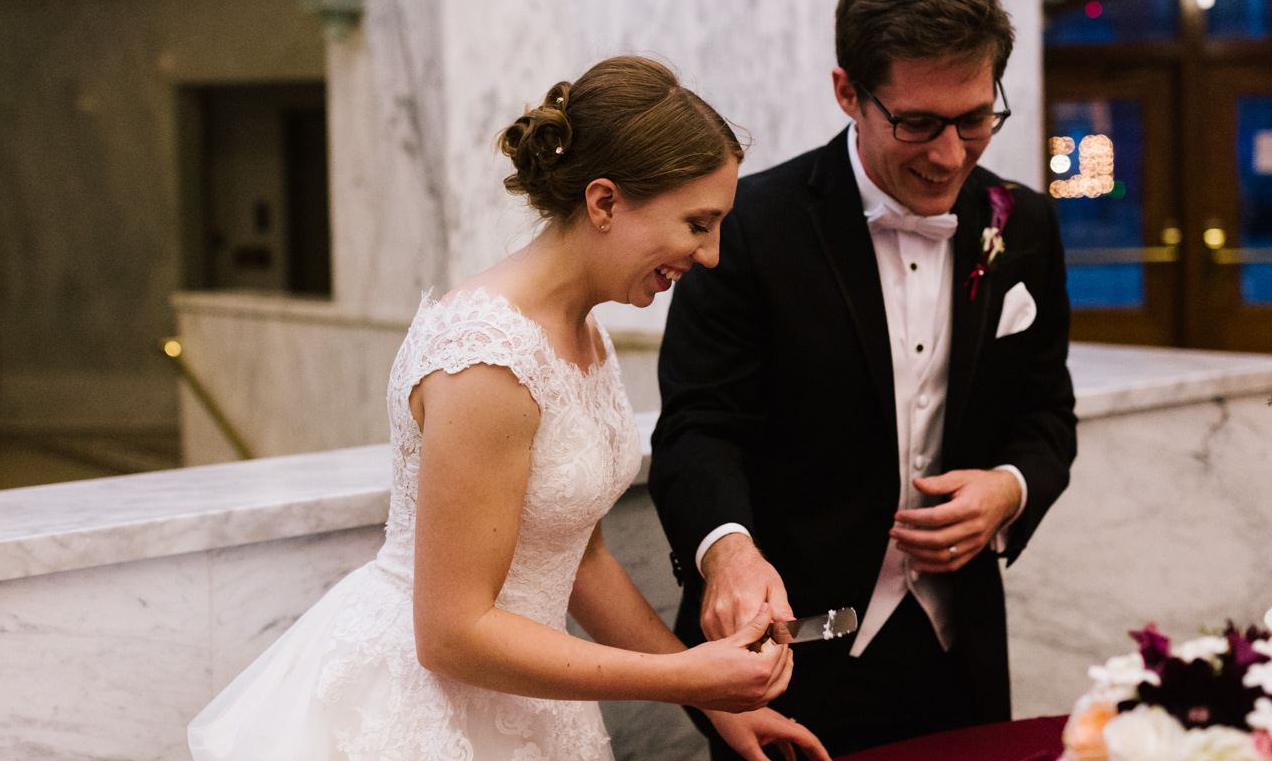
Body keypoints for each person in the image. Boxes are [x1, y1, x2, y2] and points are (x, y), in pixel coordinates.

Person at [187, 56, 829, 761]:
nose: (709, 255)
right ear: (606, 202)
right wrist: (678, 673)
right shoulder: (486, 356)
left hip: (528, 696)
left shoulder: (585, 334)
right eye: (698, 224)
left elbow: (578, 557)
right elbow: (451, 634)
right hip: (432, 707)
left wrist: (711, 701)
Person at [649, 0, 1079, 759]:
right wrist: (728, 553)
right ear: (848, 91)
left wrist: (1010, 489)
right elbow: (700, 426)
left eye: (976, 118)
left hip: (962, 656)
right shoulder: (747, 226)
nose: (951, 154)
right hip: (786, 664)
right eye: (917, 123)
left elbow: (1047, 414)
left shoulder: (1024, 226)